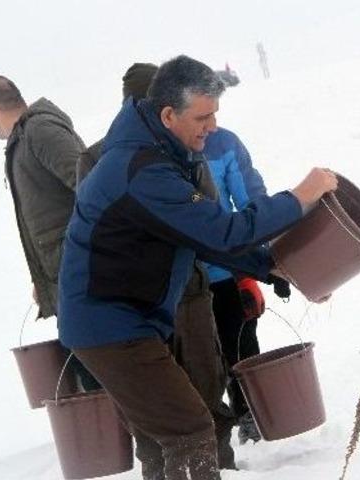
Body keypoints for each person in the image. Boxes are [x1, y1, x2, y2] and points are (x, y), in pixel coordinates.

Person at [58, 55, 337, 480]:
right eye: (203, 117)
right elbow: (224, 231)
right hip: (109, 325)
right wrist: (300, 196)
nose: (213, 126)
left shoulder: (162, 152)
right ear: (168, 114)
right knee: (189, 427)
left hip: (125, 319)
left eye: (216, 114)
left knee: (163, 434)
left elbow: (203, 239)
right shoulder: (141, 169)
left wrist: (270, 267)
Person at [0, 75, 100, 391]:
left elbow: (92, 185)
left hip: (85, 277)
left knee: (100, 371)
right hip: (64, 277)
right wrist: (43, 282)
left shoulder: (39, 131)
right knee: (89, 371)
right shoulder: (23, 139)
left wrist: (85, 255)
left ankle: (136, 438)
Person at [203, 125, 273, 444]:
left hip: (225, 272)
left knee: (240, 345)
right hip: (179, 284)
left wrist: (258, 267)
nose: (209, 123)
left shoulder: (222, 143)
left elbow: (252, 206)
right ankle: (215, 430)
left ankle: (251, 415)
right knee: (201, 358)